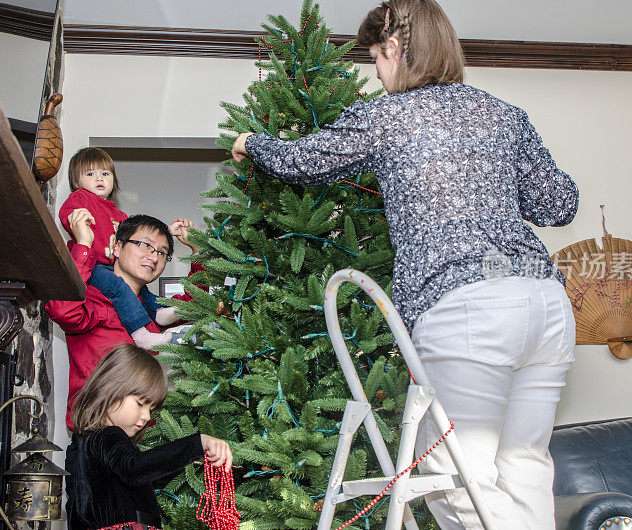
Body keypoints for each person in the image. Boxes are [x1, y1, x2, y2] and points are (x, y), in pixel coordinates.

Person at [231, 1, 579, 528]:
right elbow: (560, 204)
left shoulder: (388, 115)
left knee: (452, 479)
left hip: (470, 311)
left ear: (394, 47)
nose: (379, 74)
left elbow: (308, 160)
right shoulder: (502, 113)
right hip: (547, 308)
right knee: (526, 464)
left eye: (376, 59)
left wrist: (251, 143)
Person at [46, 213, 202, 430]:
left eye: (162, 252)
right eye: (144, 245)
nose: (154, 257)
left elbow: (195, 304)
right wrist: (83, 245)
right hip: (97, 437)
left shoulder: (150, 309)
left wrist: (198, 250)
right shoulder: (94, 297)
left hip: (144, 438)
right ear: (117, 247)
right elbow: (62, 310)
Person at [65, 344, 233, 529]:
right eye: (140, 403)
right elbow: (135, 468)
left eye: (151, 409)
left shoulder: (83, 443)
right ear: (110, 389)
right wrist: (197, 443)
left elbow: (75, 507)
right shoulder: (107, 436)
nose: (146, 417)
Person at [59, 147, 193, 350]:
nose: (99, 179)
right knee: (120, 286)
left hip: (110, 269)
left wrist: (168, 231)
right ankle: (141, 335)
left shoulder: (118, 214)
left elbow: (141, 235)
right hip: (95, 266)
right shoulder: (81, 199)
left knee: (145, 294)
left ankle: (158, 312)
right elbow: (67, 215)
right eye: (90, 174)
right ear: (77, 182)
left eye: (105, 173)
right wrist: (83, 242)